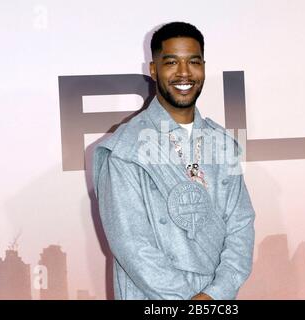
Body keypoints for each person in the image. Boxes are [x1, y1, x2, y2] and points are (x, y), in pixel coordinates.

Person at [93, 21, 255, 300]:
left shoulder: (222, 143)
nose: (184, 73)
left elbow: (241, 225)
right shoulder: (125, 149)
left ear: (204, 66)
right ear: (153, 70)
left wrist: (216, 294)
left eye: (193, 62)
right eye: (171, 63)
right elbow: (132, 245)